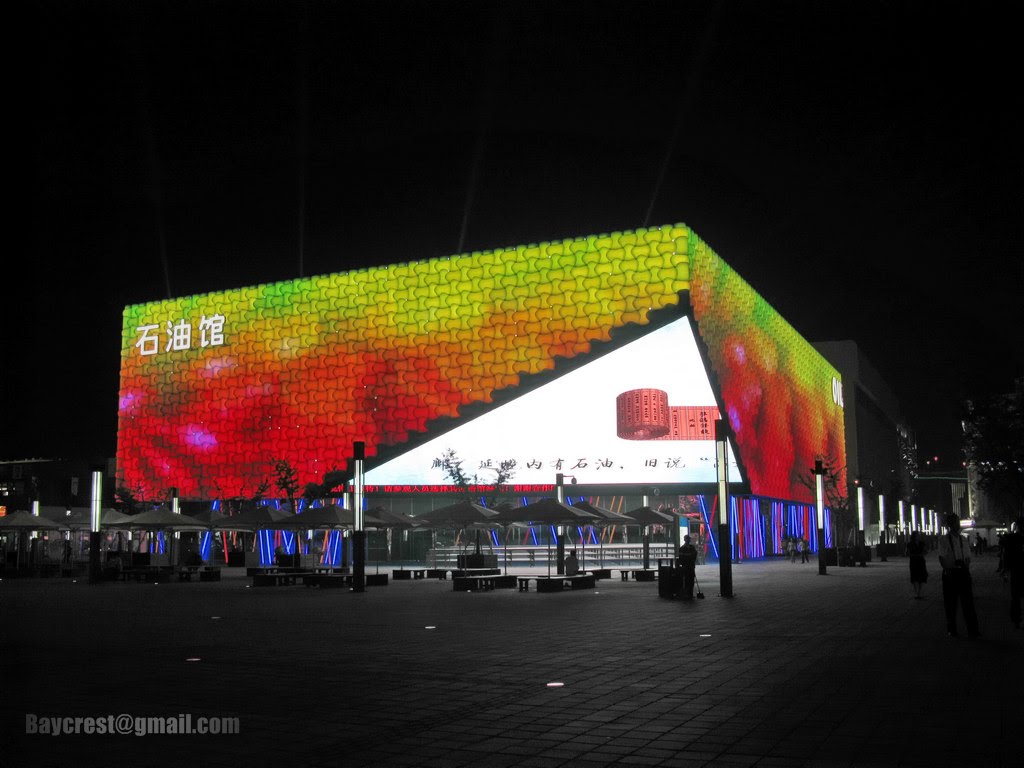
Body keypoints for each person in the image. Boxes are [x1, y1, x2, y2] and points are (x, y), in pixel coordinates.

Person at [937, 514, 980, 639]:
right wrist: (947, 569)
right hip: (950, 573)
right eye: (956, 523)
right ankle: (952, 629)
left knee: (968, 603)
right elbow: (942, 558)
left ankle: (973, 630)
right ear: (950, 525)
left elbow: (967, 557)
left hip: (963, 573)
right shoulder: (944, 540)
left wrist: (965, 567)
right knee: (950, 604)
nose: (958, 525)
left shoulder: (963, 539)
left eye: (958, 523)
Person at [1001, 516, 1023, 629]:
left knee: (1016, 598)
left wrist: (1005, 571)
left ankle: (1016, 620)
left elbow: (1006, 556)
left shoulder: (1011, 539)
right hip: (1017, 571)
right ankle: (1017, 619)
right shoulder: (1012, 539)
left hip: (1016, 572)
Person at [905, 530, 928, 599]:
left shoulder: (922, 543)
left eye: (919, 535)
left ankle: (919, 592)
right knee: (914, 577)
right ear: (914, 536)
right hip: (914, 562)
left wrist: (923, 554)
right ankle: (917, 593)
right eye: (917, 535)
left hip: (921, 561)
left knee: (922, 576)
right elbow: (907, 553)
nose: (918, 536)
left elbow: (926, 551)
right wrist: (914, 555)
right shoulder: (910, 544)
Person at [678, 535, 698, 599]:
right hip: (686, 567)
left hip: (690, 566)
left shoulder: (690, 548)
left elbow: (694, 555)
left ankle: (690, 593)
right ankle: (687, 593)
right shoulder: (683, 548)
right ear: (685, 540)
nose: (688, 540)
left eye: (688, 539)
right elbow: (681, 559)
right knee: (687, 580)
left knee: (691, 580)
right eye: (687, 539)